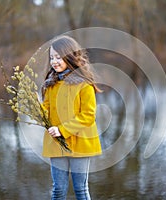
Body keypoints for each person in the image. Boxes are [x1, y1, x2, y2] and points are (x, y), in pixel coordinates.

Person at [41, 35, 102, 200]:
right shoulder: (50, 84)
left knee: (80, 189)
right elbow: (45, 111)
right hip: (56, 143)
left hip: (81, 142)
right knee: (58, 190)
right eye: (52, 57)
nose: (54, 61)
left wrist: (62, 130)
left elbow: (88, 115)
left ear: (70, 56)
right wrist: (33, 107)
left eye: (58, 57)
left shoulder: (84, 84)